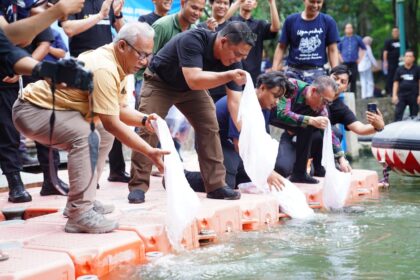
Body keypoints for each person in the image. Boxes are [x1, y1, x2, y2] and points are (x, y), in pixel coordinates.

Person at [13, 22, 169, 233]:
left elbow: (117, 110)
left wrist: (144, 120)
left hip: (53, 109)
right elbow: (113, 123)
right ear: (122, 46)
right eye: (141, 54)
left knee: (102, 132)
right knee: (88, 135)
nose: (144, 61)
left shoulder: (119, 64)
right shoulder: (104, 68)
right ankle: (79, 214)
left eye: (149, 55)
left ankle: (84, 198)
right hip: (31, 110)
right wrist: (150, 152)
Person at [128, 21, 255, 203]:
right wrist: (228, 75)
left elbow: (234, 102)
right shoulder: (193, 39)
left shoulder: (235, 63)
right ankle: (138, 186)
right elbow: (194, 78)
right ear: (223, 41)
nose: (237, 59)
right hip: (161, 82)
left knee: (210, 127)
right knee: (149, 127)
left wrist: (244, 134)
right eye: (236, 53)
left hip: (191, 91)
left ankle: (216, 185)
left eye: (242, 56)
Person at [0, 0, 83, 202]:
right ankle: (14, 183)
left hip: (25, 73)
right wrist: (57, 11)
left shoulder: (27, 4)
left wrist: (38, 69)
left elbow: (13, 42)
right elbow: (8, 36)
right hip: (6, 78)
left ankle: (51, 180)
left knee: (46, 126)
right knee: (7, 133)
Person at [60, 0, 128, 183]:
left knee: (113, 116)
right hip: (83, 67)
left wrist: (118, 15)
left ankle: (116, 170)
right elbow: (69, 29)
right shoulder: (76, 2)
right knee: (89, 125)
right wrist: (100, 16)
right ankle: (85, 181)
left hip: (109, 66)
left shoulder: (106, 2)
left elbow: (125, 34)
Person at [216, 71, 294, 189]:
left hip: (234, 147)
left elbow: (261, 140)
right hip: (217, 142)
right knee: (225, 185)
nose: (277, 102)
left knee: (274, 170)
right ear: (262, 88)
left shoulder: (265, 106)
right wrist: (265, 171)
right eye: (275, 96)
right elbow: (240, 145)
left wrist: (266, 169)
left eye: (280, 98)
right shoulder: (243, 103)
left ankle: (232, 172)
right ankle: (186, 176)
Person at [310, 65, 385, 174]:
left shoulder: (341, 108)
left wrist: (378, 126)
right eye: (335, 78)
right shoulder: (313, 91)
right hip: (299, 134)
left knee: (336, 133)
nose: (338, 83)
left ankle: (319, 165)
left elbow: (360, 128)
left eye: (343, 81)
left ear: (346, 87)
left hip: (319, 143)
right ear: (328, 77)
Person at [270, 76, 339, 184]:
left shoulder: (321, 108)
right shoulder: (291, 86)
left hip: (297, 133)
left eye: (328, 103)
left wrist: (341, 157)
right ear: (313, 91)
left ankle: (300, 173)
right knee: (281, 168)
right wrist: (310, 120)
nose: (325, 106)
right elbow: (282, 113)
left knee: (332, 130)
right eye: (325, 101)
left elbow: (328, 131)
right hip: (266, 115)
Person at [271, 0, 339, 83]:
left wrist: (336, 74)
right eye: (312, 2)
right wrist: (274, 71)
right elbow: (281, 47)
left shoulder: (328, 21)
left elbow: (333, 50)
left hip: (318, 73)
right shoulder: (291, 20)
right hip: (293, 72)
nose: (315, 5)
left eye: (319, 2)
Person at [227, 0, 280, 84]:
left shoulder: (259, 25)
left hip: (252, 76)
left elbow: (276, 28)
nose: (248, 1)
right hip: (231, 72)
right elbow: (221, 21)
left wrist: (272, 2)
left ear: (255, 4)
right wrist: (237, 2)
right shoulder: (231, 21)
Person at [136, 0, 174, 103]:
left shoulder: (175, 22)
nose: (169, 1)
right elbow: (140, 48)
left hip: (168, 80)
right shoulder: (144, 19)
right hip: (146, 75)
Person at [197, 0, 233, 103]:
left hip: (225, 88)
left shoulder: (233, 29)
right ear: (211, 3)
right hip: (203, 87)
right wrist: (210, 33)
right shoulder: (200, 27)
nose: (222, 6)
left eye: (226, 3)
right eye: (218, 2)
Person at [338, 23, 366, 95]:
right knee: (344, 78)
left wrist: (360, 59)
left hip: (354, 62)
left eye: (350, 28)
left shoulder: (357, 38)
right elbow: (337, 50)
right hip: (344, 62)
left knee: (353, 78)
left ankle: (353, 94)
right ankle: (344, 93)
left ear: (352, 29)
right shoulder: (341, 39)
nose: (349, 29)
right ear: (345, 30)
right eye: (347, 28)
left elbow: (364, 49)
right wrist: (341, 59)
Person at [392, 50, 420, 121]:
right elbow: (396, 83)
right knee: (398, 114)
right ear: (404, 58)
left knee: (414, 116)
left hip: (414, 95)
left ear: (413, 58)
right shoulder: (399, 69)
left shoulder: (417, 69)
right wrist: (394, 95)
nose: (408, 58)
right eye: (407, 56)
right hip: (401, 95)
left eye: (410, 56)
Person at [383, 27, 403, 96]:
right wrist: (385, 62)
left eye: (397, 31)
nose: (395, 33)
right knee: (391, 77)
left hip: (401, 62)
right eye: (394, 32)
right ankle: (390, 92)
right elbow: (385, 52)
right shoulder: (388, 41)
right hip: (391, 62)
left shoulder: (402, 41)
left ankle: (399, 91)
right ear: (392, 33)